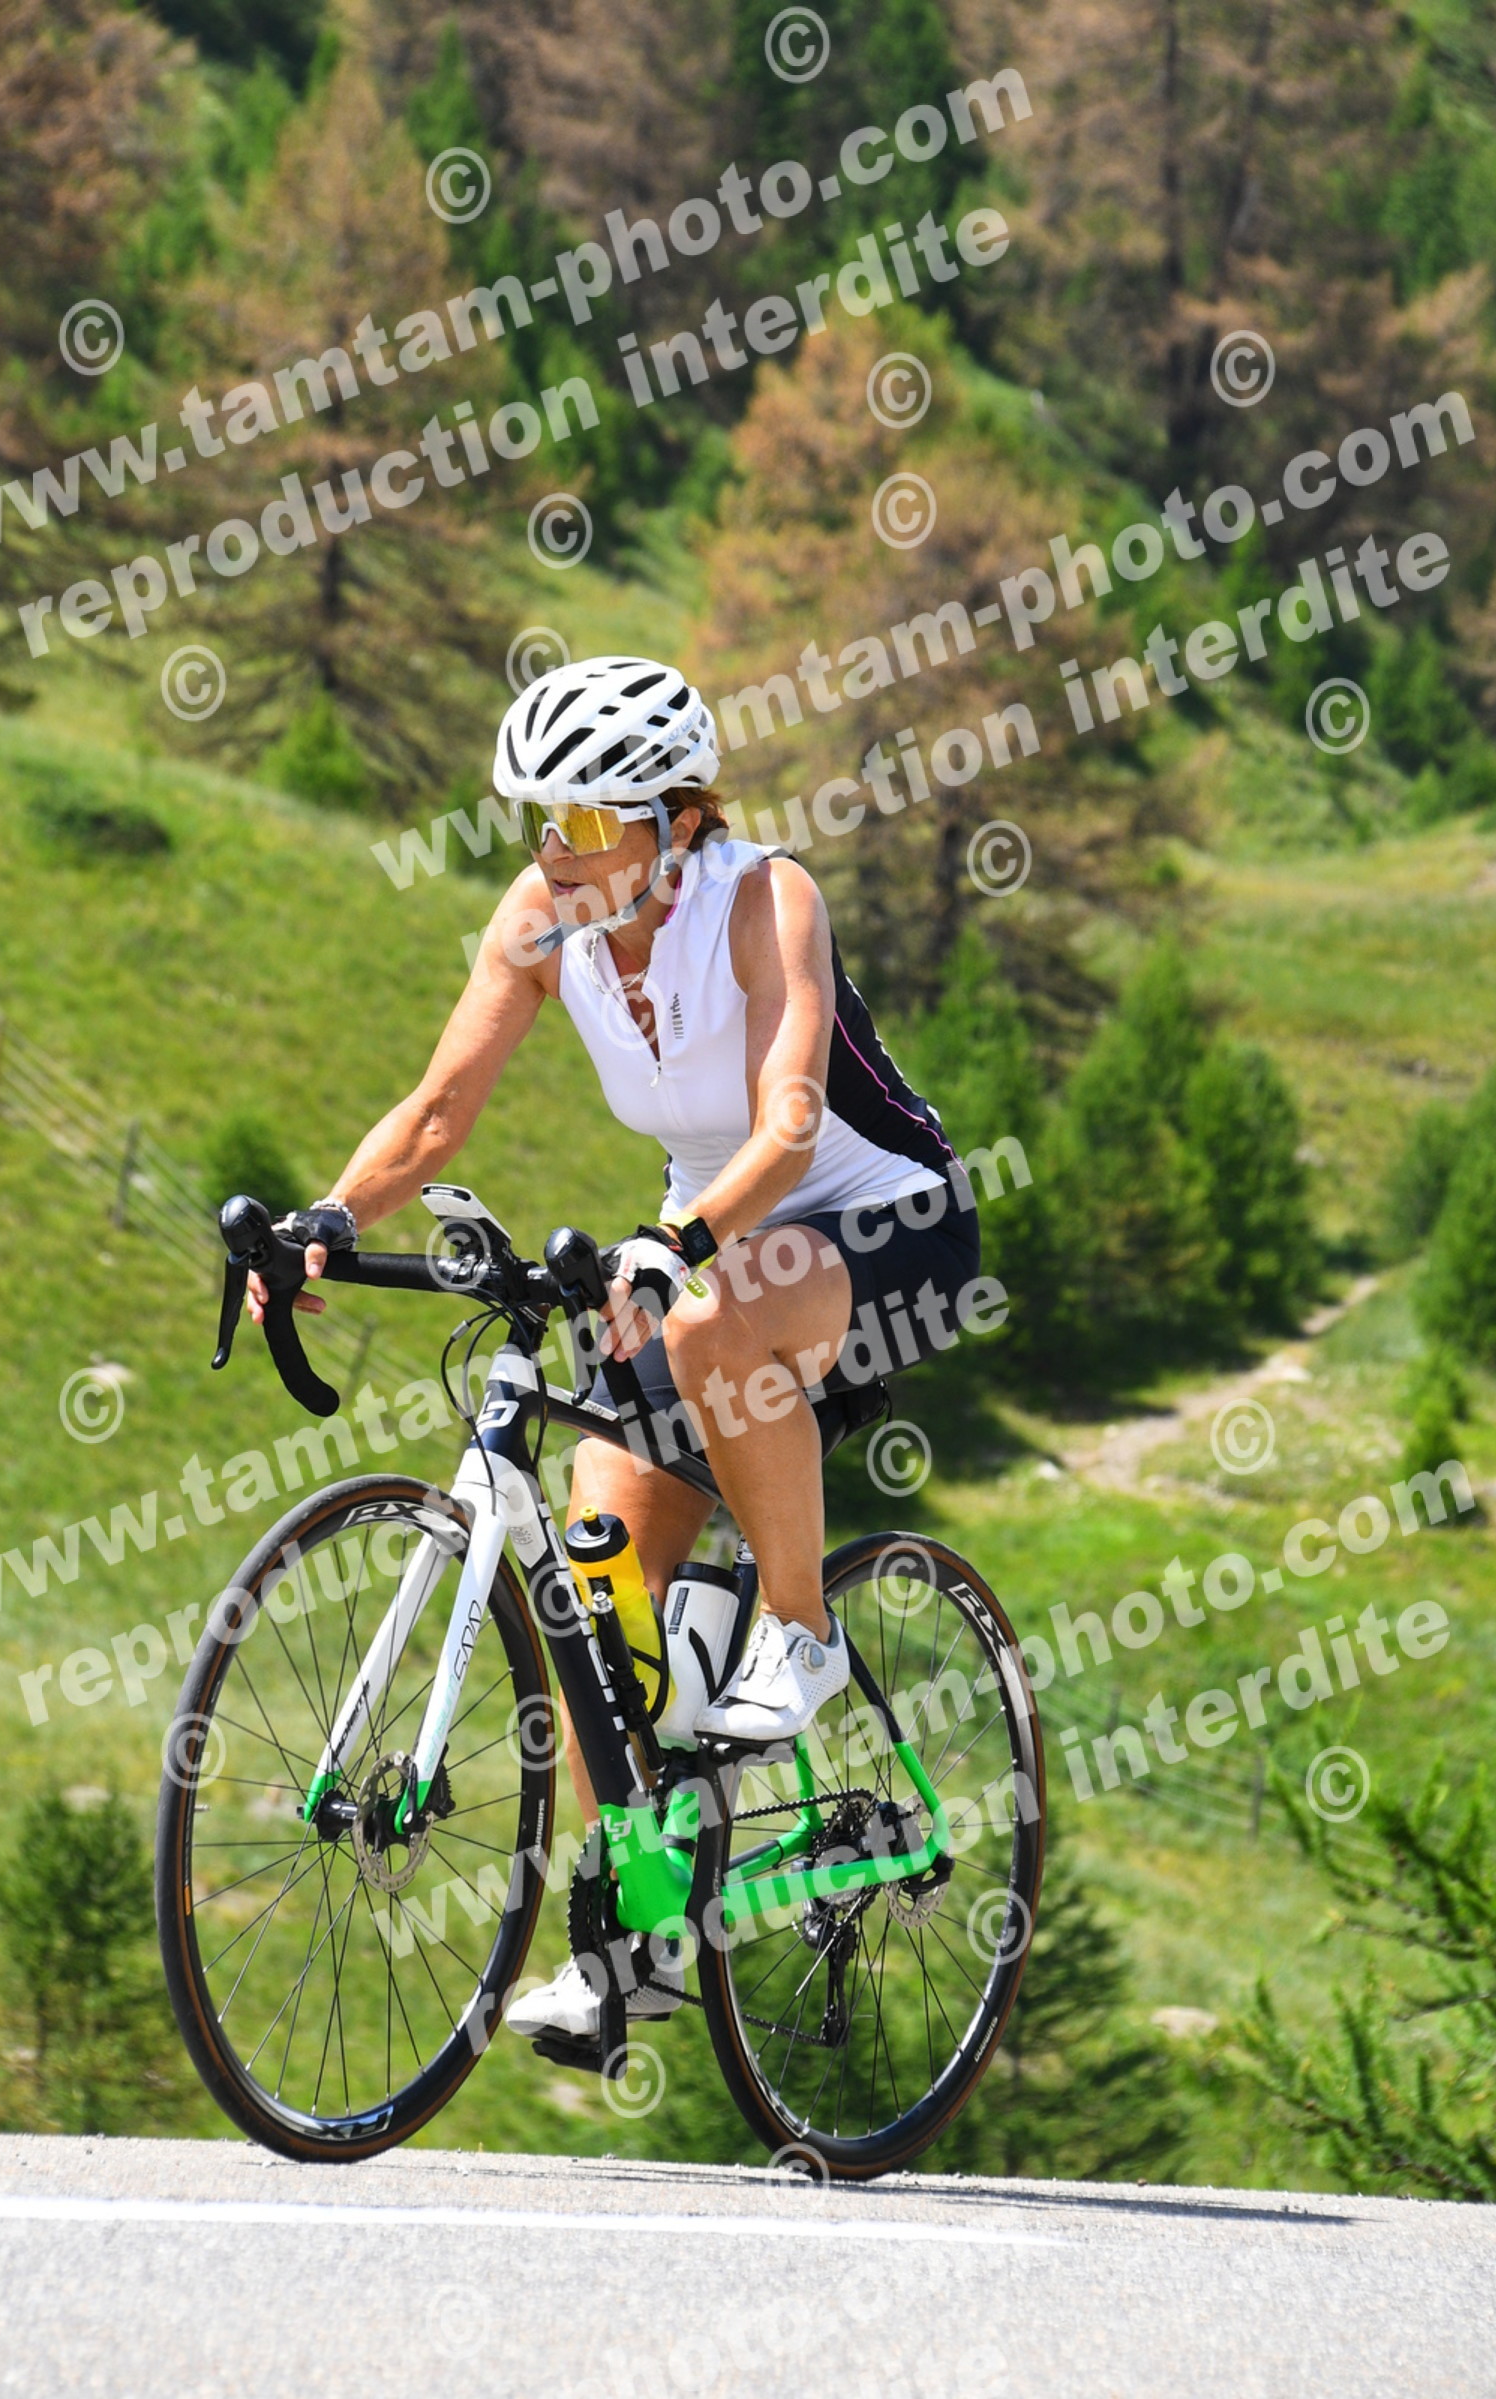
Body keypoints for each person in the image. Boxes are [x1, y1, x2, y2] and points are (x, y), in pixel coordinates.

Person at [245, 655, 982, 2041]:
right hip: (707, 1253)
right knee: (604, 1598)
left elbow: (787, 1123)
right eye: (543, 820)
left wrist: (678, 1242)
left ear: (678, 819)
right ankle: (636, 1942)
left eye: (588, 822)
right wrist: (325, 1222)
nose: (556, 852)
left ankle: (802, 1631)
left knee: (707, 1317)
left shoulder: (765, 900)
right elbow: (436, 1112)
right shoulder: (542, 920)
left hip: (887, 1223)